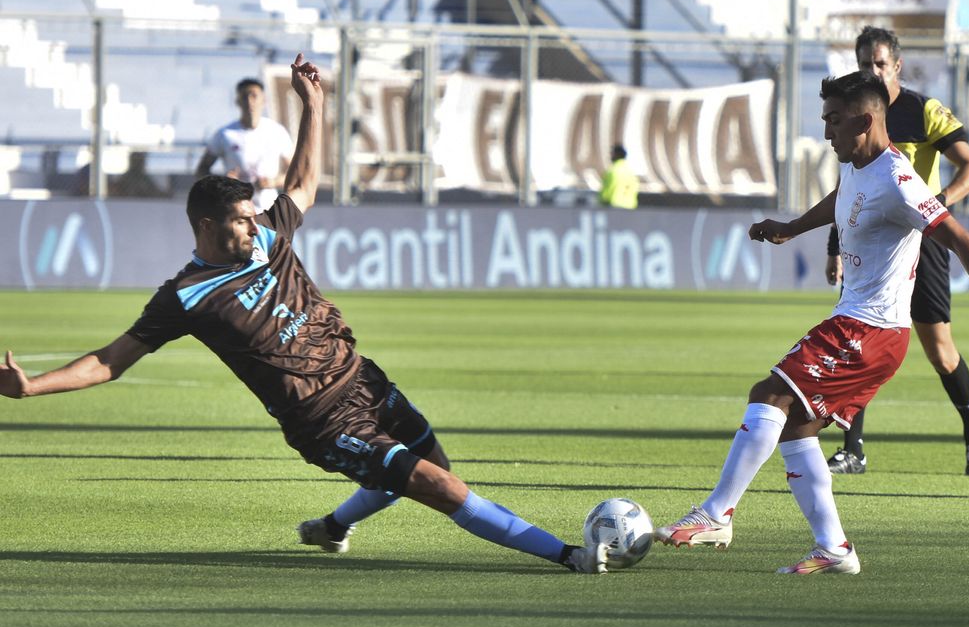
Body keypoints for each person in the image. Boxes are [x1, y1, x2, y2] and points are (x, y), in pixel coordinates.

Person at [1, 54, 608, 575]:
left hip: (362, 379)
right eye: (241, 219)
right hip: (319, 419)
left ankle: (329, 527)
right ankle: (568, 557)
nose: (253, 223)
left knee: (422, 471)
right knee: (440, 487)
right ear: (209, 228)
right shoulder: (185, 297)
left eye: (253, 214)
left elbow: (305, 184)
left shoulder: (266, 235)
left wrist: (312, 105)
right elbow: (111, 361)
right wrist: (32, 387)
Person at [654, 71, 969, 574]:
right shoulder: (858, 163)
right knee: (793, 428)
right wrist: (791, 229)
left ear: (865, 119)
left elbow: (960, 239)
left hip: (869, 330)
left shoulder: (899, 179)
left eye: (834, 121)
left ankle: (716, 512)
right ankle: (834, 549)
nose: (827, 132)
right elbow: (841, 200)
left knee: (768, 395)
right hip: (857, 323)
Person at [825, 26, 969, 476]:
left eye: (880, 63)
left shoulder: (924, 111)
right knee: (857, 335)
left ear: (897, 65)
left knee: (940, 351)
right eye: (865, 63)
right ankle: (853, 449)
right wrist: (834, 244)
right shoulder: (853, 114)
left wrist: (938, 204)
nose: (873, 71)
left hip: (925, 238)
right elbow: (849, 188)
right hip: (875, 239)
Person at [196, 77, 294, 213]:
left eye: (254, 96)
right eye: (244, 97)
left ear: (264, 100)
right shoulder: (225, 134)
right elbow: (201, 170)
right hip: (235, 212)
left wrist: (273, 182)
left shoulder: (277, 132)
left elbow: (294, 173)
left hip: (268, 211)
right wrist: (222, 183)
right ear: (237, 101)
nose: (249, 101)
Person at [598, 144, 638, 209]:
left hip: (614, 208)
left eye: (611, 154)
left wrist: (601, 201)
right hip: (630, 208)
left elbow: (606, 193)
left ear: (615, 155)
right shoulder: (631, 172)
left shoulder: (612, 171)